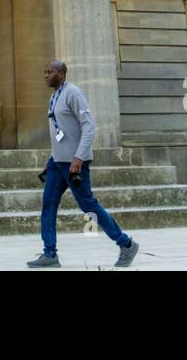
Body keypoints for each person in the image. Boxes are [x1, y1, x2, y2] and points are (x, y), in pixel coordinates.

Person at [27, 60, 140, 268]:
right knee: (48, 204)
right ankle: (50, 254)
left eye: (49, 72)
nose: (45, 75)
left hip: (74, 164)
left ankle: (126, 244)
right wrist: (51, 159)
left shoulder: (73, 93)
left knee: (88, 205)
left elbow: (89, 127)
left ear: (62, 73)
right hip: (57, 163)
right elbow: (61, 132)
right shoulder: (54, 96)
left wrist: (79, 157)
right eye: (44, 72)